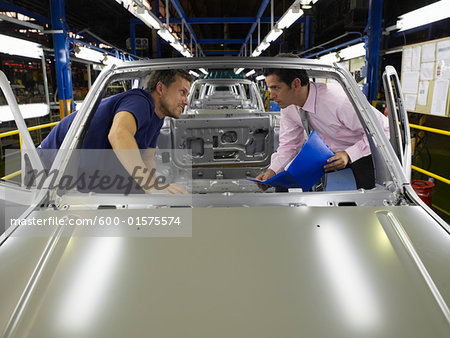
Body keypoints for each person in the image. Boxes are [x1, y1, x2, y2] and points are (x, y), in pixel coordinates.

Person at [38, 69, 193, 194]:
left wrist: (154, 193)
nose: (186, 101)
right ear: (160, 88)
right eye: (182, 92)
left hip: (79, 171)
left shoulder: (157, 118)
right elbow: (119, 134)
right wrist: (149, 184)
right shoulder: (139, 100)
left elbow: (148, 159)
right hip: (50, 163)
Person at [256, 57, 389, 191]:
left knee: (361, 202)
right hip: (329, 158)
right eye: (270, 88)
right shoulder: (289, 107)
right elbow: (289, 145)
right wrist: (272, 172)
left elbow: (383, 130)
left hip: (364, 155)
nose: (271, 95)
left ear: (296, 84)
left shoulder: (339, 101)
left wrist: (349, 154)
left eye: (276, 88)